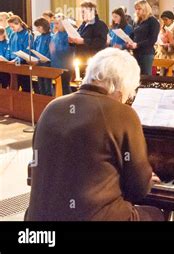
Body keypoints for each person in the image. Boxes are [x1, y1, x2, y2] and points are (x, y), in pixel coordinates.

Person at [26, 48, 163, 221]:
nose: (127, 98)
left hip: (40, 217)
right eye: (129, 93)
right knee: (155, 215)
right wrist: (148, 179)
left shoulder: (52, 107)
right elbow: (137, 188)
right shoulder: (123, 114)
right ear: (121, 88)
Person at [68, 1, 108, 65]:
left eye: (84, 12)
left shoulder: (100, 24)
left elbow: (100, 42)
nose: (82, 14)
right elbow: (78, 39)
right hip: (80, 59)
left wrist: (83, 41)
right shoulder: (83, 25)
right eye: (81, 12)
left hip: (92, 60)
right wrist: (72, 41)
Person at [127, 0, 160, 75]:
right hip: (136, 52)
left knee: (146, 76)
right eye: (136, 9)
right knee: (136, 76)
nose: (137, 11)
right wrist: (129, 42)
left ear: (145, 9)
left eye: (139, 9)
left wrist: (137, 45)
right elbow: (133, 35)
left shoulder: (153, 21)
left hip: (146, 53)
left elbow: (152, 40)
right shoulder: (137, 21)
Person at [7, 15, 33, 92]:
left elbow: (27, 50)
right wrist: (8, 57)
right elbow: (10, 47)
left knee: (25, 86)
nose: (11, 29)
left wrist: (17, 59)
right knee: (14, 86)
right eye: (10, 27)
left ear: (19, 24)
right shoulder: (12, 34)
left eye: (13, 26)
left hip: (23, 63)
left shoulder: (27, 34)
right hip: (13, 62)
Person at [49, 16, 73, 95]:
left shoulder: (69, 35)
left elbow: (69, 51)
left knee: (65, 87)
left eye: (57, 23)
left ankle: (68, 105)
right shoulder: (56, 35)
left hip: (65, 66)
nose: (55, 26)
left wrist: (55, 49)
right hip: (56, 66)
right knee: (57, 88)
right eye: (54, 23)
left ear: (64, 24)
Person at [32, 17, 52, 96]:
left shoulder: (51, 37)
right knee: (40, 86)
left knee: (47, 86)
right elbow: (34, 49)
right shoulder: (38, 37)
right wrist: (34, 58)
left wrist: (43, 59)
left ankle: (48, 102)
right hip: (38, 64)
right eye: (37, 27)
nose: (37, 29)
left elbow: (50, 52)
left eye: (39, 27)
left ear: (44, 26)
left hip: (47, 64)